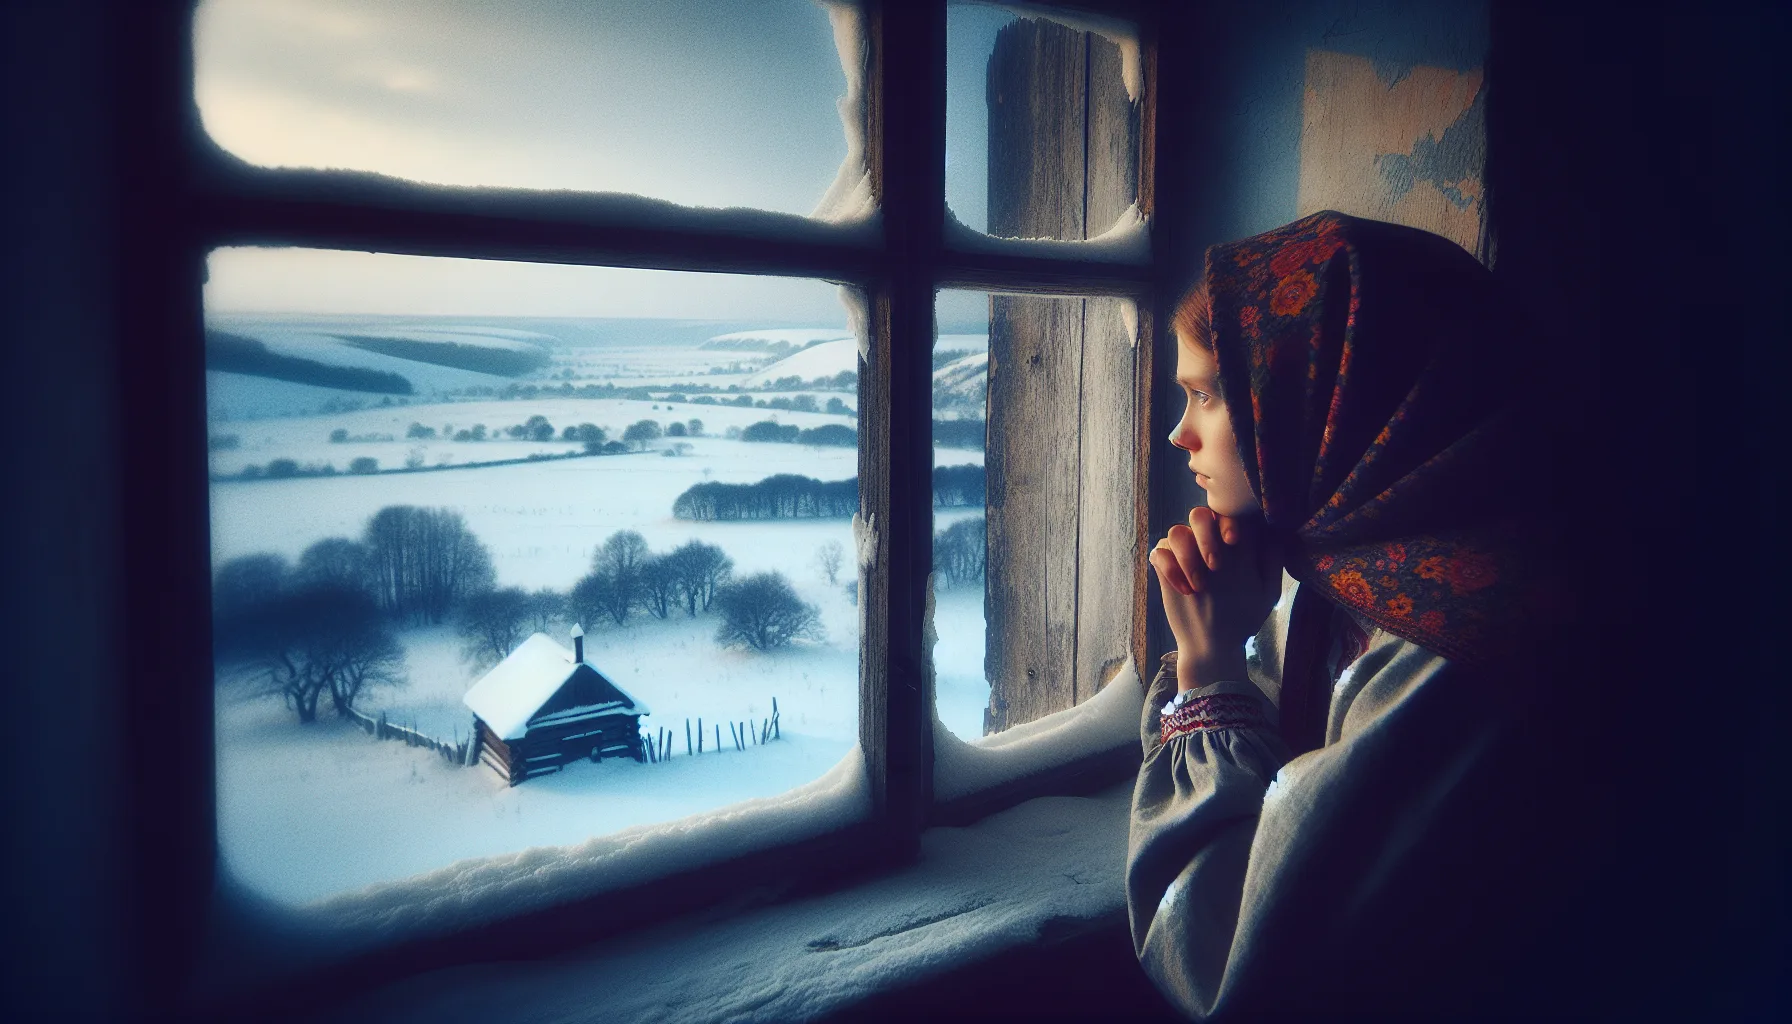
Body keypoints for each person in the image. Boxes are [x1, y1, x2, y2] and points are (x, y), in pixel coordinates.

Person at [1129, 211, 1587, 1020]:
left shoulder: (1453, 646)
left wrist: (1205, 674)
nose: (1178, 435)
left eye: (1205, 394)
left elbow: (1231, 970)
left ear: (1329, 395)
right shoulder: (1346, 571)